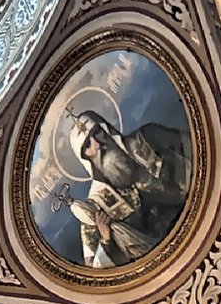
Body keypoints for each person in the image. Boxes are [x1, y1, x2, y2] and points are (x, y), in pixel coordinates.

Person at [62, 105, 190, 267]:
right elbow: (93, 273)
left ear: (106, 129)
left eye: (97, 133)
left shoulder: (147, 138)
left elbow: (197, 148)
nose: (97, 145)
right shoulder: (95, 207)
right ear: (84, 158)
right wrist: (106, 240)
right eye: (87, 145)